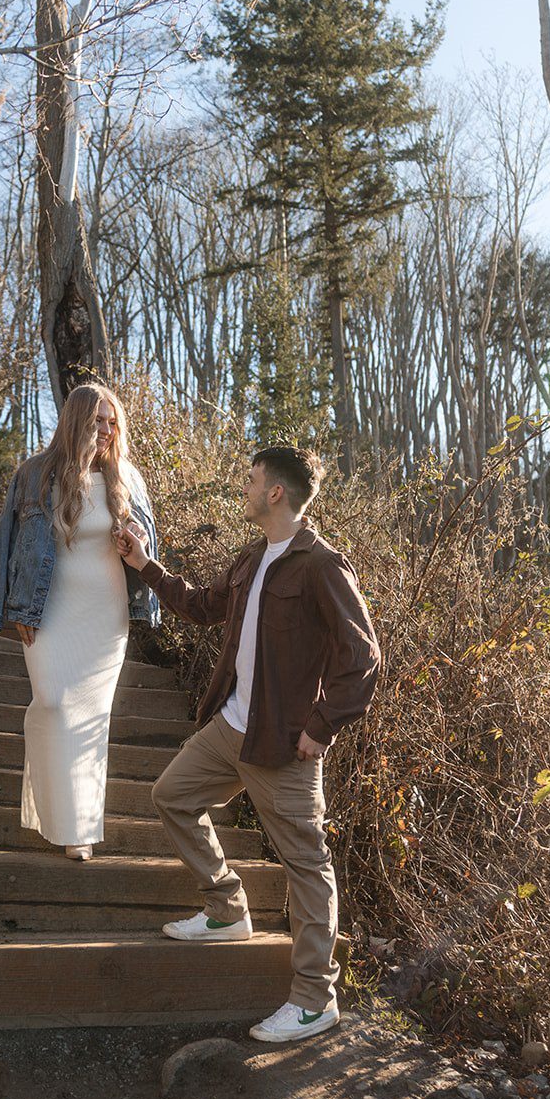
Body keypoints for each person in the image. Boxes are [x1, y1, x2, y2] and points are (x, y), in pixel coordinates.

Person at [116, 445, 380, 1044]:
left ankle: (315, 999)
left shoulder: (321, 565)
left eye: (252, 480)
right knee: (171, 795)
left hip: (284, 747)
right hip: (231, 727)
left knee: (307, 868)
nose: (245, 487)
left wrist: (321, 727)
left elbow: (363, 658)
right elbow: (204, 607)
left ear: (277, 493)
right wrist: (145, 564)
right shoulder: (255, 556)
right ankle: (227, 907)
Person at [0, 384, 161, 860]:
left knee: (89, 719)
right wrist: (12, 608)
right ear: (74, 422)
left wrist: (137, 544)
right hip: (48, 610)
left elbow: (146, 552)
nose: (106, 431)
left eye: (113, 422)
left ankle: (78, 829)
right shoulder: (34, 474)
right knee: (52, 706)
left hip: (105, 615)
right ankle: (57, 813)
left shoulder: (129, 478)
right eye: (97, 422)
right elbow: (7, 543)